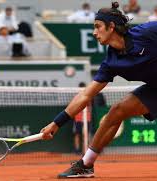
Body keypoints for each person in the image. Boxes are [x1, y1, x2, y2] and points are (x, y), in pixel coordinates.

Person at [41, 1, 157, 178]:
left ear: (111, 27)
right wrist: (57, 123)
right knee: (117, 111)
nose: (94, 33)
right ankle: (86, 164)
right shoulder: (111, 63)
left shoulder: (147, 32)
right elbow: (86, 95)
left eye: (97, 27)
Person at [72, 82, 92, 155]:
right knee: (77, 134)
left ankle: (86, 150)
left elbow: (90, 107)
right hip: (77, 119)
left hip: (87, 119)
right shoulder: (76, 97)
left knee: (86, 134)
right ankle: (77, 150)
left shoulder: (89, 96)